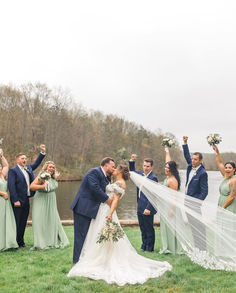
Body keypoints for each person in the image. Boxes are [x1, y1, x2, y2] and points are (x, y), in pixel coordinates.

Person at [68, 165, 172, 286]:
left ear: (120, 172)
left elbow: (116, 200)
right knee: (100, 234)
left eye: (116, 168)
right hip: (103, 209)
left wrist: (110, 214)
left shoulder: (119, 183)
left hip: (107, 211)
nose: (114, 170)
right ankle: (103, 257)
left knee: (105, 235)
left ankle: (104, 258)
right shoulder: (117, 181)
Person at [70, 157, 114, 264]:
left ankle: (85, 258)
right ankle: (77, 261)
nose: (114, 168)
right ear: (106, 165)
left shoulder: (106, 177)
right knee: (80, 235)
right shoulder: (94, 172)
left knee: (89, 236)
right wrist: (108, 200)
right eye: (112, 166)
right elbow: (95, 188)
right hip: (83, 208)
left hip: (93, 210)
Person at [8, 145, 46, 247]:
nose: (24, 160)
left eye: (25, 158)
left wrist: (42, 152)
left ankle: (21, 242)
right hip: (18, 200)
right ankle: (14, 242)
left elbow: (37, 163)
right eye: (22, 158)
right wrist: (15, 200)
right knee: (16, 221)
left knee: (23, 221)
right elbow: (11, 186)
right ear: (17, 160)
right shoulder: (13, 170)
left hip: (26, 199)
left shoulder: (28, 168)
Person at [30, 161, 69, 249]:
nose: (51, 168)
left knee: (51, 221)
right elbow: (31, 186)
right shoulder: (42, 176)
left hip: (51, 201)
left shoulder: (53, 177)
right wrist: (42, 186)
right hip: (41, 200)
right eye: (50, 167)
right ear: (46, 168)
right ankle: (41, 243)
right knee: (40, 221)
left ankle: (51, 240)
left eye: (53, 167)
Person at [182, 136, 208, 251]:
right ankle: (197, 247)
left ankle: (202, 248)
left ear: (200, 161)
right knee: (192, 226)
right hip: (186, 202)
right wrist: (185, 143)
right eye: (192, 159)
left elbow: (204, 191)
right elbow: (187, 156)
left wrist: (196, 202)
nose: (193, 161)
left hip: (195, 203)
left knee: (199, 226)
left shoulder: (203, 173)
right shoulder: (190, 167)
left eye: (195, 159)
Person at [129, 155, 157, 252]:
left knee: (149, 228)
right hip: (140, 205)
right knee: (142, 227)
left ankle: (150, 248)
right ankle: (143, 245)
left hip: (148, 207)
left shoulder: (153, 178)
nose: (145, 168)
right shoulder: (140, 174)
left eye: (148, 166)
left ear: (152, 167)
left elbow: (153, 195)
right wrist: (132, 161)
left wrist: (148, 208)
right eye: (144, 166)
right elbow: (132, 172)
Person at [159, 145, 184, 254]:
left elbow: (175, 196)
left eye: (167, 168)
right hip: (165, 204)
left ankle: (172, 248)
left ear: (172, 170)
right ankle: (167, 246)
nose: (166, 169)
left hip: (170, 205)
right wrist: (167, 151)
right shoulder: (169, 176)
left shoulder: (173, 180)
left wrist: (172, 209)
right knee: (166, 226)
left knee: (171, 226)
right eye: (165, 167)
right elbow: (168, 161)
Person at [0, 149, 18, 251]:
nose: (0, 168)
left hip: (5, 202)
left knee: (6, 221)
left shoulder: (3, 175)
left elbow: (6, 165)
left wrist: (1, 156)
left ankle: (8, 242)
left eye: (0, 167)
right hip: (1, 200)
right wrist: (2, 193)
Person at [212, 145, 236, 212]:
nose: (227, 169)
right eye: (226, 167)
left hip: (229, 207)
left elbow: (232, 197)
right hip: (221, 205)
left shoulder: (234, 180)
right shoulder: (226, 176)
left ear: (234, 169)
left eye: (230, 168)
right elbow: (219, 163)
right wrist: (217, 152)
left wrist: (223, 208)